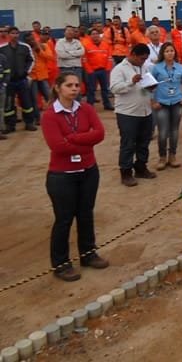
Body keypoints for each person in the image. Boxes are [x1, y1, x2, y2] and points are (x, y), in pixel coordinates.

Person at [41, 72, 108, 281]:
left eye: (77, 85)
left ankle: (88, 254)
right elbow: (58, 146)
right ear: (58, 87)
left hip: (88, 171)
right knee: (64, 219)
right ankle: (61, 264)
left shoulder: (86, 109)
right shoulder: (50, 115)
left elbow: (100, 133)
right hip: (62, 176)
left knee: (86, 214)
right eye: (69, 85)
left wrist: (73, 138)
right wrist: (86, 143)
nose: (74, 89)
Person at [109, 44, 156, 186]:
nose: (143, 61)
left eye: (145, 59)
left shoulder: (144, 67)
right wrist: (131, 82)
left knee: (144, 142)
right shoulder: (119, 69)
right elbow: (114, 88)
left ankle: (141, 167)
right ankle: (126, 172)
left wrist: (150, 87)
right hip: (127, 113)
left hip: (145, 110)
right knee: (128, 143)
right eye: (142, 58)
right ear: (133, 55)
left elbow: (144, 86)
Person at [150, 42, 182, 169]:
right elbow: (149, 85)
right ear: (163, 53)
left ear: (175, 53)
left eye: (172, 51)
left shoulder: (181, 68)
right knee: (163, 131)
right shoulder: (156, 68)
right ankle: (162, 157)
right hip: (161, 103)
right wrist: (153, 101)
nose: (170, 53)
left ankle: (172, 155)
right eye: (167, 51)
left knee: (174, 130)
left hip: (177, 102)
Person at [1, 27, 36, 132]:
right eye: (12, 33)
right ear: (8, 34)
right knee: (9, 104)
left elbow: (31, 60)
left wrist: (26, 72)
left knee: (26, 102)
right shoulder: (2, 48)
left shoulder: (25, 47)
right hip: (8, 82)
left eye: (16, 33)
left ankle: (29, 123)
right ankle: (10, 125)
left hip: (22, 81)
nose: (15, 35)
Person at [82, 28, 114, 110]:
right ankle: (90, 106)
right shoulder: (86, 46)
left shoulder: (105, 45)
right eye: (93, 34)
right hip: (92, 71)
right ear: (90, 36)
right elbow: (84, 59)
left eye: (96, 33)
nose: (95, 35)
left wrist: (108, 68)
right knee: (91, 89)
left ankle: (107, 105)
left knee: (105, 89)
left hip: (103, 70)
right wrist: (89, 70)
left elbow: (109, 58)